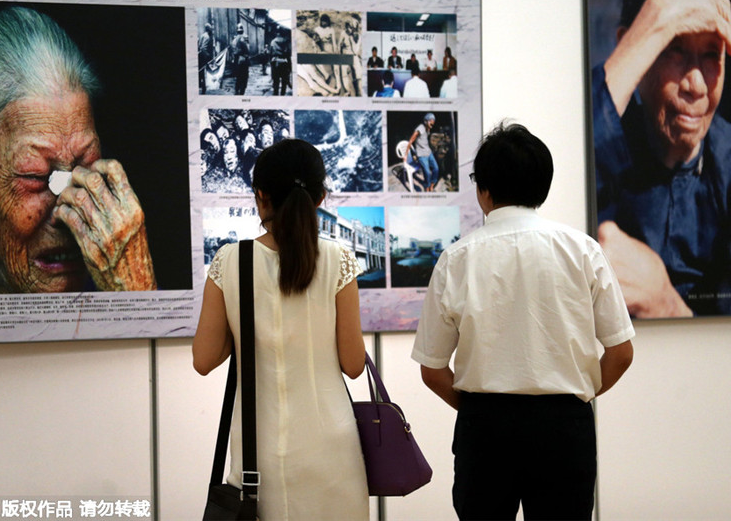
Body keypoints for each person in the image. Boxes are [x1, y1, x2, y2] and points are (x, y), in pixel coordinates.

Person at [412, 122, 635, 520]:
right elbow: (620, 352)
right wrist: (574, 395)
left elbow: (432, 370)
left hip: (484, 427)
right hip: (565, 425)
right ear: (542, 185)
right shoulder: (583, 251)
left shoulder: (457, 259)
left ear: (483, 190)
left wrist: (480, 410)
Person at [193, 138, 369, 521]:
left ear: (261, 197)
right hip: (332, 449)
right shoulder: (339, 260)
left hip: (260, 458)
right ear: (321, 197)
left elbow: (204, 360)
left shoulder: (231, 260)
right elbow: (354, 364)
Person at [593, 0, 731, 317]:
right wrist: (656, 18)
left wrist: (665, 303)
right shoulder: (604, 146)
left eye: (711, 54)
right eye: (673, 47)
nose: (696, 85)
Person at [0, 6, 157, 295]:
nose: (67, 209)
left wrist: (136, 294)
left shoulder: (127, 286)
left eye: (84, 172)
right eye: (35, 177)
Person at [404, 113, 439, 191]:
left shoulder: (428, 128)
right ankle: (427, 186)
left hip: (428, 153)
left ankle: (432, 184)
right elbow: (411, 140)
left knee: (436, 168)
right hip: (421, 155)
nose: (432, 122)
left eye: (433, 120)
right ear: (426, 121)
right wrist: (406, 155)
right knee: (427, 172)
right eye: (430, 120)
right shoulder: (420, 128)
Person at [268, 28, 291, 96]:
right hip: (284, 62)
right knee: (284, 82)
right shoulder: (286, 41)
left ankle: (276, 96)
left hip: (276, 62)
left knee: (276, 82)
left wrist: (271, 62)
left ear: (277, 33)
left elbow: (270, 53)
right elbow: (288, 53)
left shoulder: (273, 42)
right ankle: (282, 95)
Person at [231, 23, 250, 96]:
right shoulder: (243, 38)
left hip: (236, 61)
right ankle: (241, 93)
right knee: (244, 78)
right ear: (242, 30)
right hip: (243, 61)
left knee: (238, 78)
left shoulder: (234, 40)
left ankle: (236, 91)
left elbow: (233, 50)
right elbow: (247, 50)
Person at [198, 22, 215, 93]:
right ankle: (204, 87)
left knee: (201, 71)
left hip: (200, 55)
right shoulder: (209, 37)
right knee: (205, 72)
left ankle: (201, 85)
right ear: (209, 29)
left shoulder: (202, 35)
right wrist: (209, 57)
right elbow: (205, 48)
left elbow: (199, 45)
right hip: (205, 56)